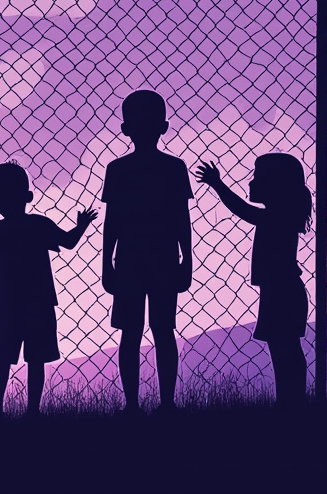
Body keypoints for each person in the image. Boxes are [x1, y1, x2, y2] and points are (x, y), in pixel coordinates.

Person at [0, 162, 96, 417]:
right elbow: (68, 241)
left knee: (3, 359)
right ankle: (32, 411)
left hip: (11, 305)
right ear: (28, 196)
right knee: (36, 360)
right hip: (40, 304)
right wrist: (82, 225)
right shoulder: (38, 225)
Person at [101, 90, 193, 413]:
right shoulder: (171, 168)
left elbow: (112, 222)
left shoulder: (120, 169)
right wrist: (187, 261)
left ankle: (139, 405)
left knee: (142, 332)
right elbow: (182, 220)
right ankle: (154, 403)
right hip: (158, 259)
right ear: (164, 126)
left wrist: (107, 264)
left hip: (134, 260)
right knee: (153, 331)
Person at [195, 153, 310, 407]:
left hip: (281, 292)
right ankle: (291, 403)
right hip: (282, 290)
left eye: (257, 176)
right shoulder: (282, 217)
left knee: (284, 350)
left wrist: (218, 185)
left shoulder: (275, 218)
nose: (251, 182)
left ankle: (290, 404)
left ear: (275, 185)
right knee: (285, 349)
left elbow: (242, 210)